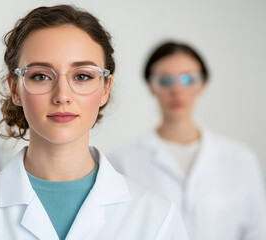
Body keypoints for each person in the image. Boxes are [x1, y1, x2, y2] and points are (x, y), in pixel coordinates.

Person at [0, 6, 189, 240]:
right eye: (40, 76)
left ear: (105, 88)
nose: (62, 96)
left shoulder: (156, 218)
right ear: (15, 89)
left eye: (82, 76)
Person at [109, 41, 266, 240]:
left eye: (188, 79)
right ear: (151, 86)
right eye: (165, 81)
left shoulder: (240, 158)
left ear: (201, 84)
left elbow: (257, 230)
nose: (177, 90)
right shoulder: (123, 161)